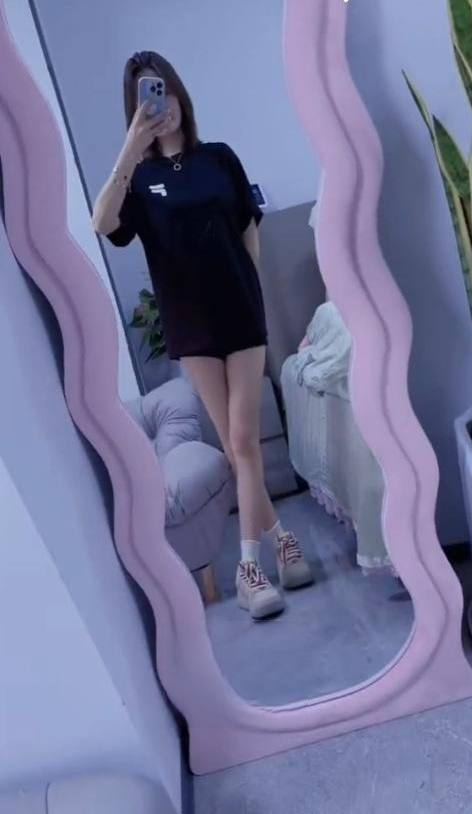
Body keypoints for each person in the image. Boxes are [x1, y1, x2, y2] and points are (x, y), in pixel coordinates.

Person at [92, 50, 313, 620]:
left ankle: (247, 569)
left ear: (179, 92)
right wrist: (131, 147)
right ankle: (281, 539)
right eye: (146, 98)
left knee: (242, 437)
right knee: (239, 446)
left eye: (163, 90)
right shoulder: (139, 179)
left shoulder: (219, 158)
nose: (159, 105)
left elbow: (247, 227)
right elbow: (102, 223)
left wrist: (253, 287)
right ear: (135, 109)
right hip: (191, 325)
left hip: (241, 313)